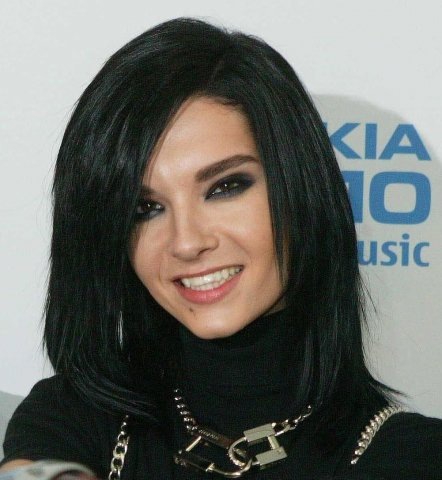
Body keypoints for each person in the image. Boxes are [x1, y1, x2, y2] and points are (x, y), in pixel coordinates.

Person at [1, 17, 441, 480]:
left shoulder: (412, 457)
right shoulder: (72, 421)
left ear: (299, 188)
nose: (187, 242)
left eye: (225, 187)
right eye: (145, 209)